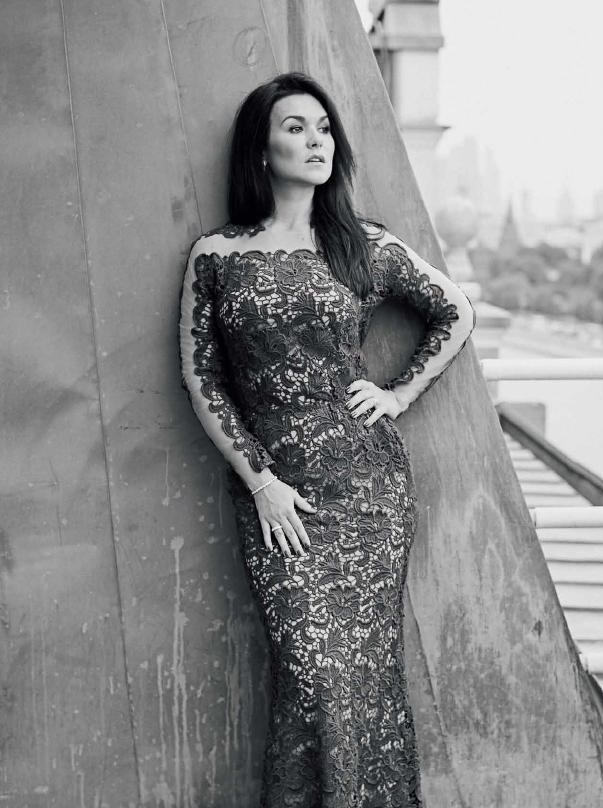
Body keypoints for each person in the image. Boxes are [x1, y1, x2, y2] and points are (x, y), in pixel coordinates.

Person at [178, 71, 476, 808]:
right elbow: (201, 375)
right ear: (261, 147)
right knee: (309, 672)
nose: (316, 142)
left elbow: (456, 311)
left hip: (368, 492)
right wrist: (261, 481)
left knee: (361, 676)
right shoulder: (216, 255)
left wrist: (398, 393)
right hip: (277, 497)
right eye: (295, 127)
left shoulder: (360, 245)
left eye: (324, 129)